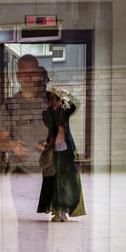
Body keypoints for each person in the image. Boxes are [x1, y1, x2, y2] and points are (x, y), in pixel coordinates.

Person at [0, 55, 50, 252]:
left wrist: (50, 144)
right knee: (24, 222)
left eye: (34, 73)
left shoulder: (49, 104)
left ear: (39, 75)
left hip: (44, 172)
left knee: (41, 221)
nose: (30, 78)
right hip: (19, 172)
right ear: (18, 76)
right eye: (25, 73)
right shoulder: (9, 105)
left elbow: (59, 135)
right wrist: (12, 147)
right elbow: (2, 142)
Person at [37, 87, 86, 222]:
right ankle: (57, 212)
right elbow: (52, 125)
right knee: (55, 182)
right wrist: (58, 108)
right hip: (53, 151)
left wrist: (66, 94)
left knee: (68, 182)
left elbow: (77, 105)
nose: (55, 100)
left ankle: (64, 212)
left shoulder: (65, 109)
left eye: (57, 98)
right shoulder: (46, 113)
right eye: (52, 98)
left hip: (67, 151)